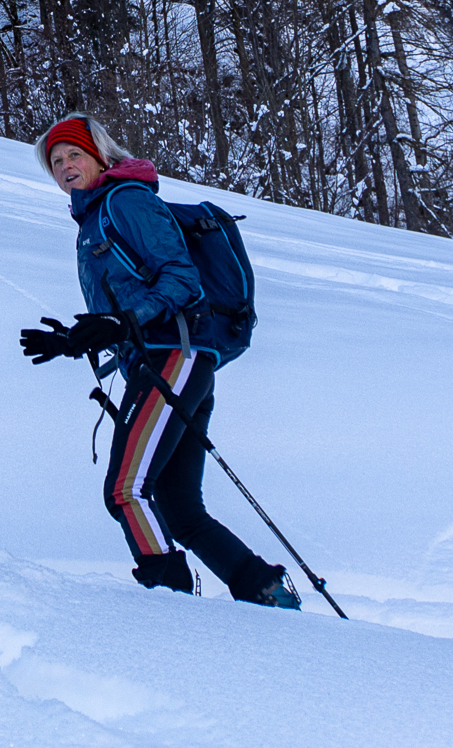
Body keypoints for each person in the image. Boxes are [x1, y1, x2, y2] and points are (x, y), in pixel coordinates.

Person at [19, 115, 300, 607]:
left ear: (100, 155)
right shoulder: (93, 219)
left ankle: (167, 608)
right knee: (180, 508)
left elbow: (181, 279)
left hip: (176, 354)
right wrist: (78, 339)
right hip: (164, 361)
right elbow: (124, 306)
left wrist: (122, 323)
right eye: (56, 161)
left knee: (125, 490)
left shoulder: (126, 200)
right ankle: (266, 592)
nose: (64, 167)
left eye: (74, 155)